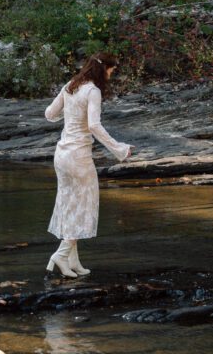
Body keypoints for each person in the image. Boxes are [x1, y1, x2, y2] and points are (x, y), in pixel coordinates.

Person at [44, 51, 134, 277]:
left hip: (61, 155)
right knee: (83, 204)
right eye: (111, 70)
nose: (111, 74)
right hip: (78, 157)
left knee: (69, 204)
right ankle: (61, 254)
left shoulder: (70, 85)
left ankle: (72, 261)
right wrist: (119, 148)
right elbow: (94, 126)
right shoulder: (93, 91)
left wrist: (70, 114)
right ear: (104, 69)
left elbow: (49, 114)